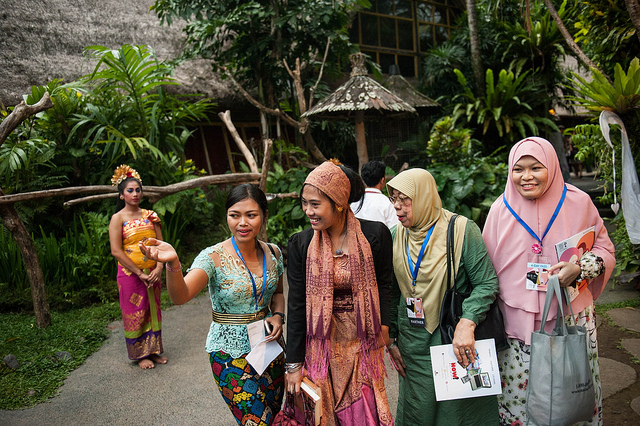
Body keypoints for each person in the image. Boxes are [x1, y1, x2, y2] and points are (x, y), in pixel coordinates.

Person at [482, 137, 615, 425]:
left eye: (535, 168)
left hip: (571, 320)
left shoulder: (579, 203)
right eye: (518, 169)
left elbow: (605, 250)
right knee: (523, 403)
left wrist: (579, 268)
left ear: (552, 167)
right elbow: (485, 272)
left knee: (573, 396)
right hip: (516, 325)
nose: (526, 176)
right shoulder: (499, 210)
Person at [139, 184, 286, 425]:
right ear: (226, 215)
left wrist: (278, 315)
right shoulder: (213, 257)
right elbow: (180, 295)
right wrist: (172, 263)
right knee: (258, 422)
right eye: (234, 215)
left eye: (251, 215)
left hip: (269, 347)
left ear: (264, 215)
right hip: (229, 354)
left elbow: (278, 292)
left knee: (276, 415)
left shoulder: (274, 253)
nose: (243, 223)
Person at [386, 168, 500, 425]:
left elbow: (486, 282)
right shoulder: (395, 236)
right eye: (394, 198)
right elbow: (392, 291)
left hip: (452, 336)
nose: (398, 207)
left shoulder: (461, 230)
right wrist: (391, 340)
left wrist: (467, 322)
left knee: (457, 411)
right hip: (413, 342)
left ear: (425, 196)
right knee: (418, 410)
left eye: (405, 199)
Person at [286, 160, 394, 425]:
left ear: (339, 202)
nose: (308, 211)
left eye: (315, 204)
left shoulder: (374, 235)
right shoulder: (301, 244)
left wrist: (387, 327)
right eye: (305, 203)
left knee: (364, 412)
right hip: (320, 347)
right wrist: (293, 364)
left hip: (363, 342)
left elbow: (387, 284)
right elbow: (298, 304)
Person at [108, 164, 167, 370]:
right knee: (136, 310)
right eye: (130, 190)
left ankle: (154, 350)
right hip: (130, 275)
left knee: (153, 310)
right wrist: (139, 273)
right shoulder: (118, 219)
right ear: (121, 195)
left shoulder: (151, 215)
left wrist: (159, 268)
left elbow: (161, 245)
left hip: (153, 273)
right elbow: (116, 251)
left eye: (138, 190)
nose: (135, 194)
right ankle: (140, 354)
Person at [350, 160, 398, 228]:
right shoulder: (387, 203)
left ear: (363, 180)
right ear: (382, 180)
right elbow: (394, 229)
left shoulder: (355, 203)